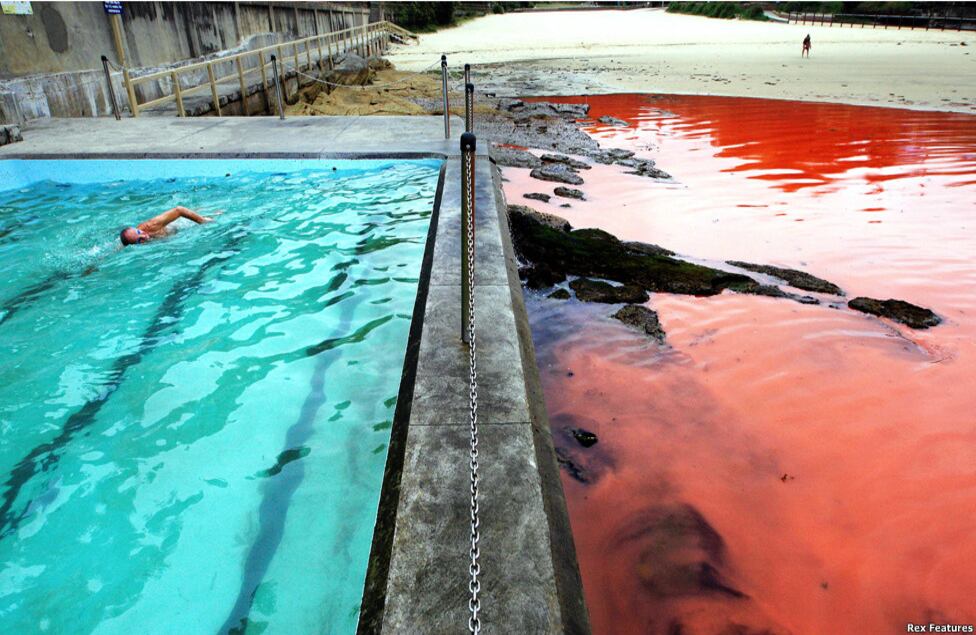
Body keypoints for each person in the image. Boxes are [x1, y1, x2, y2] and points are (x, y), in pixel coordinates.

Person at [119, 206, 215, 246]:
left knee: (216, 215)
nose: (144, 236)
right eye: (139, 240)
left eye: (140, 232)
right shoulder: (131, 239)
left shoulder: (152, 225)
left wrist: (201, 221)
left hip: (182, 223)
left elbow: (179, 210)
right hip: (173, 233)